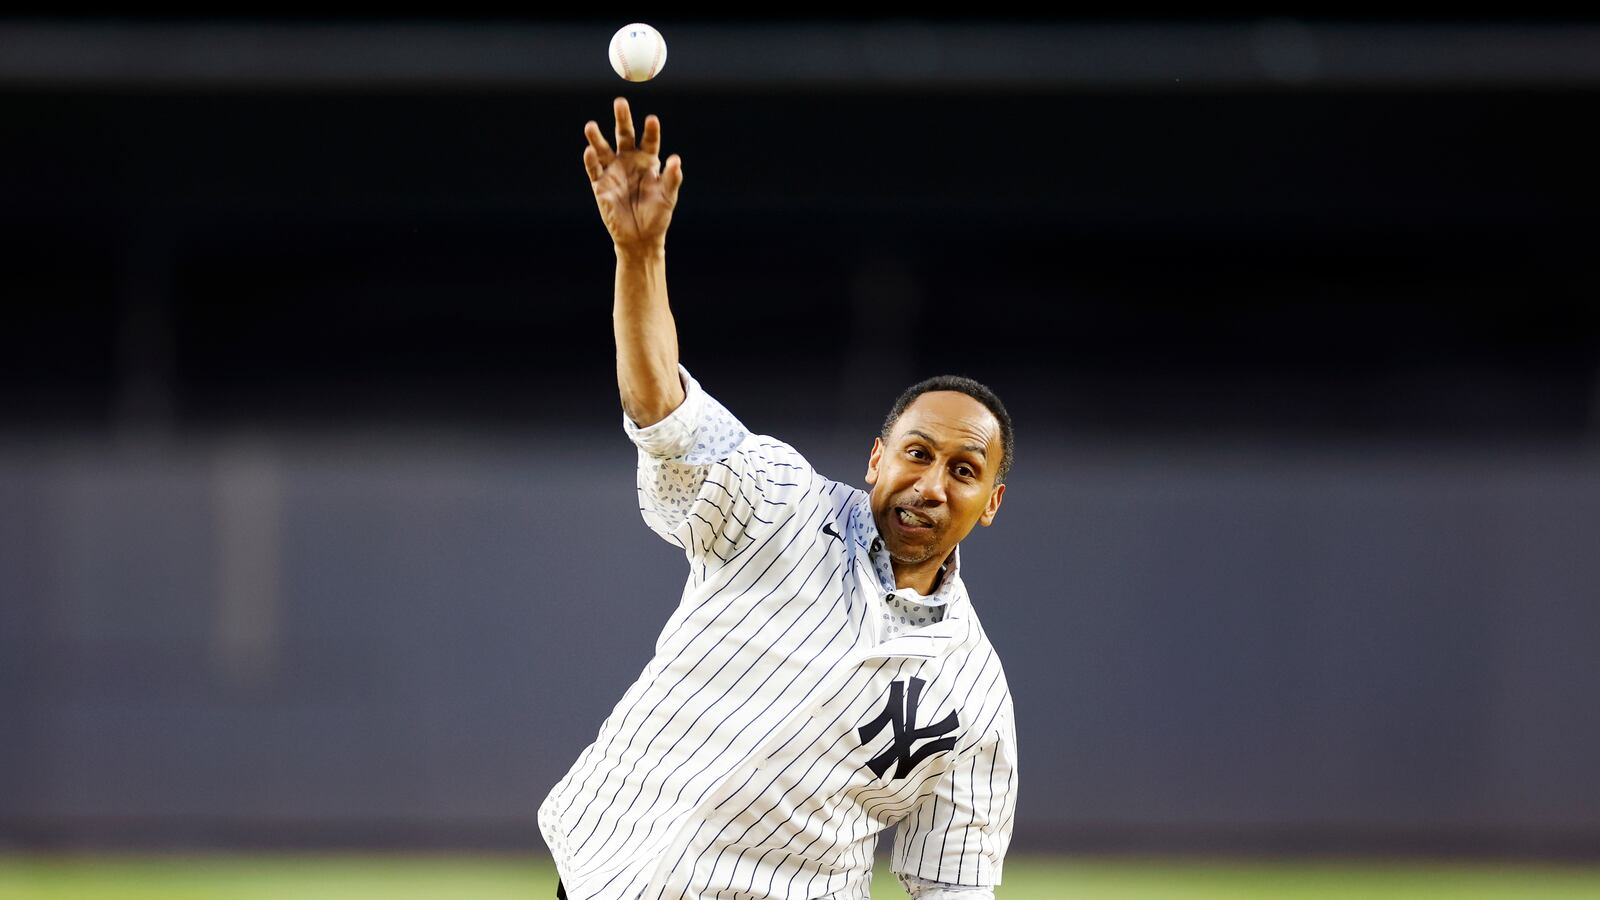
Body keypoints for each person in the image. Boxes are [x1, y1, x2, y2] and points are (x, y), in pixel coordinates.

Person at [539, 97, 1018, 900]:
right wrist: (640, 254)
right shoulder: (779, 505)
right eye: (917, 453)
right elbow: (664, 415)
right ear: (877, 459)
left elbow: (955, 883)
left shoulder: (973, 688)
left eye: (963, 472)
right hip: (608, 875)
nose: (932, 485)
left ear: (990, 503)